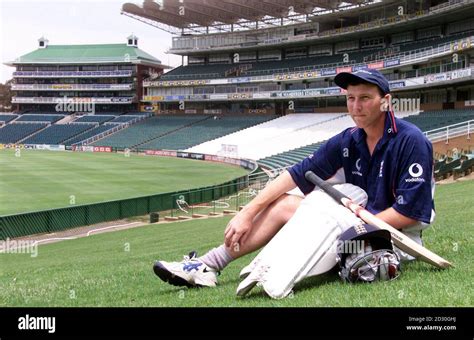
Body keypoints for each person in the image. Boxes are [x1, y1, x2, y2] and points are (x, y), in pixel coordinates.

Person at [153, 68, 435, 288]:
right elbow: (296, 173)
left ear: (385, 102)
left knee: (320, 216)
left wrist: (353, 230)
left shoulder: (411, 141)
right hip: (355, 226)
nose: (356, 106)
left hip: (393, 238)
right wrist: (248, 212)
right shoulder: (348, 140)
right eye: (350, 98)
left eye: (365, 98)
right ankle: (209, 266)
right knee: (288, 202)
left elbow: (409, 213)